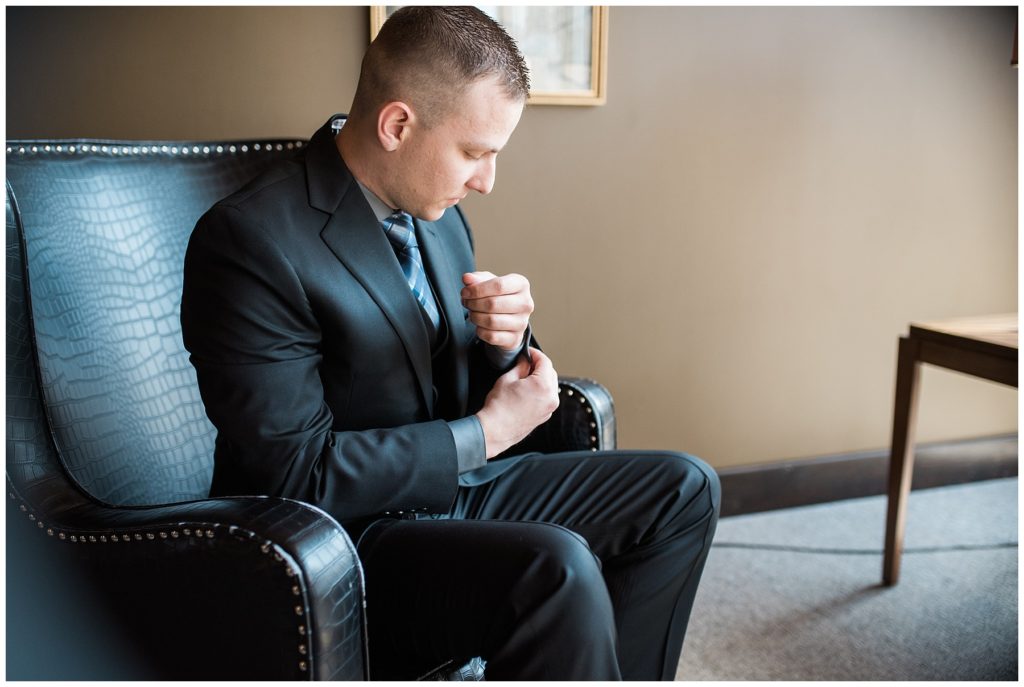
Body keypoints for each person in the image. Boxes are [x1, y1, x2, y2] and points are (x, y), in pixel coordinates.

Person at [181, 6, 719, 681]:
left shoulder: (436, 214)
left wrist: (504, 343)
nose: (486, 181)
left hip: (454, 492)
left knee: (685, 488)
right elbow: (293, 474)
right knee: (556, 568)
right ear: (397, 125)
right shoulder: (250, 240)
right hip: (344, 540)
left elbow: (441, 373)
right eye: (475, 153)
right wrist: (486, 434)